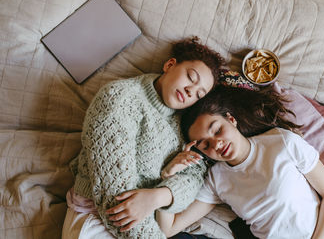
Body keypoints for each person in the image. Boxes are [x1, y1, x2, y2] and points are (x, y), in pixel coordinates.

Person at [61, 37, 226, 239]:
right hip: (98, 214)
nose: (191, 91)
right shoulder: (119, 99)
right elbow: (114, 201)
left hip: (149, 218)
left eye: (199, 95)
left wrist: (159, 196)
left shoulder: (185, 123)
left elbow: (194, 177)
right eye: (191, 77)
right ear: (170, 65)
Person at [156, 85, 324, 239]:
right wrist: (169, 175)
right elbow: (168, 229)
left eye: (217, 130)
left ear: (231, 119)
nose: (217, 144)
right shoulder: (216, 179)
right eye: (205, 145)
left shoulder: (282, 143)